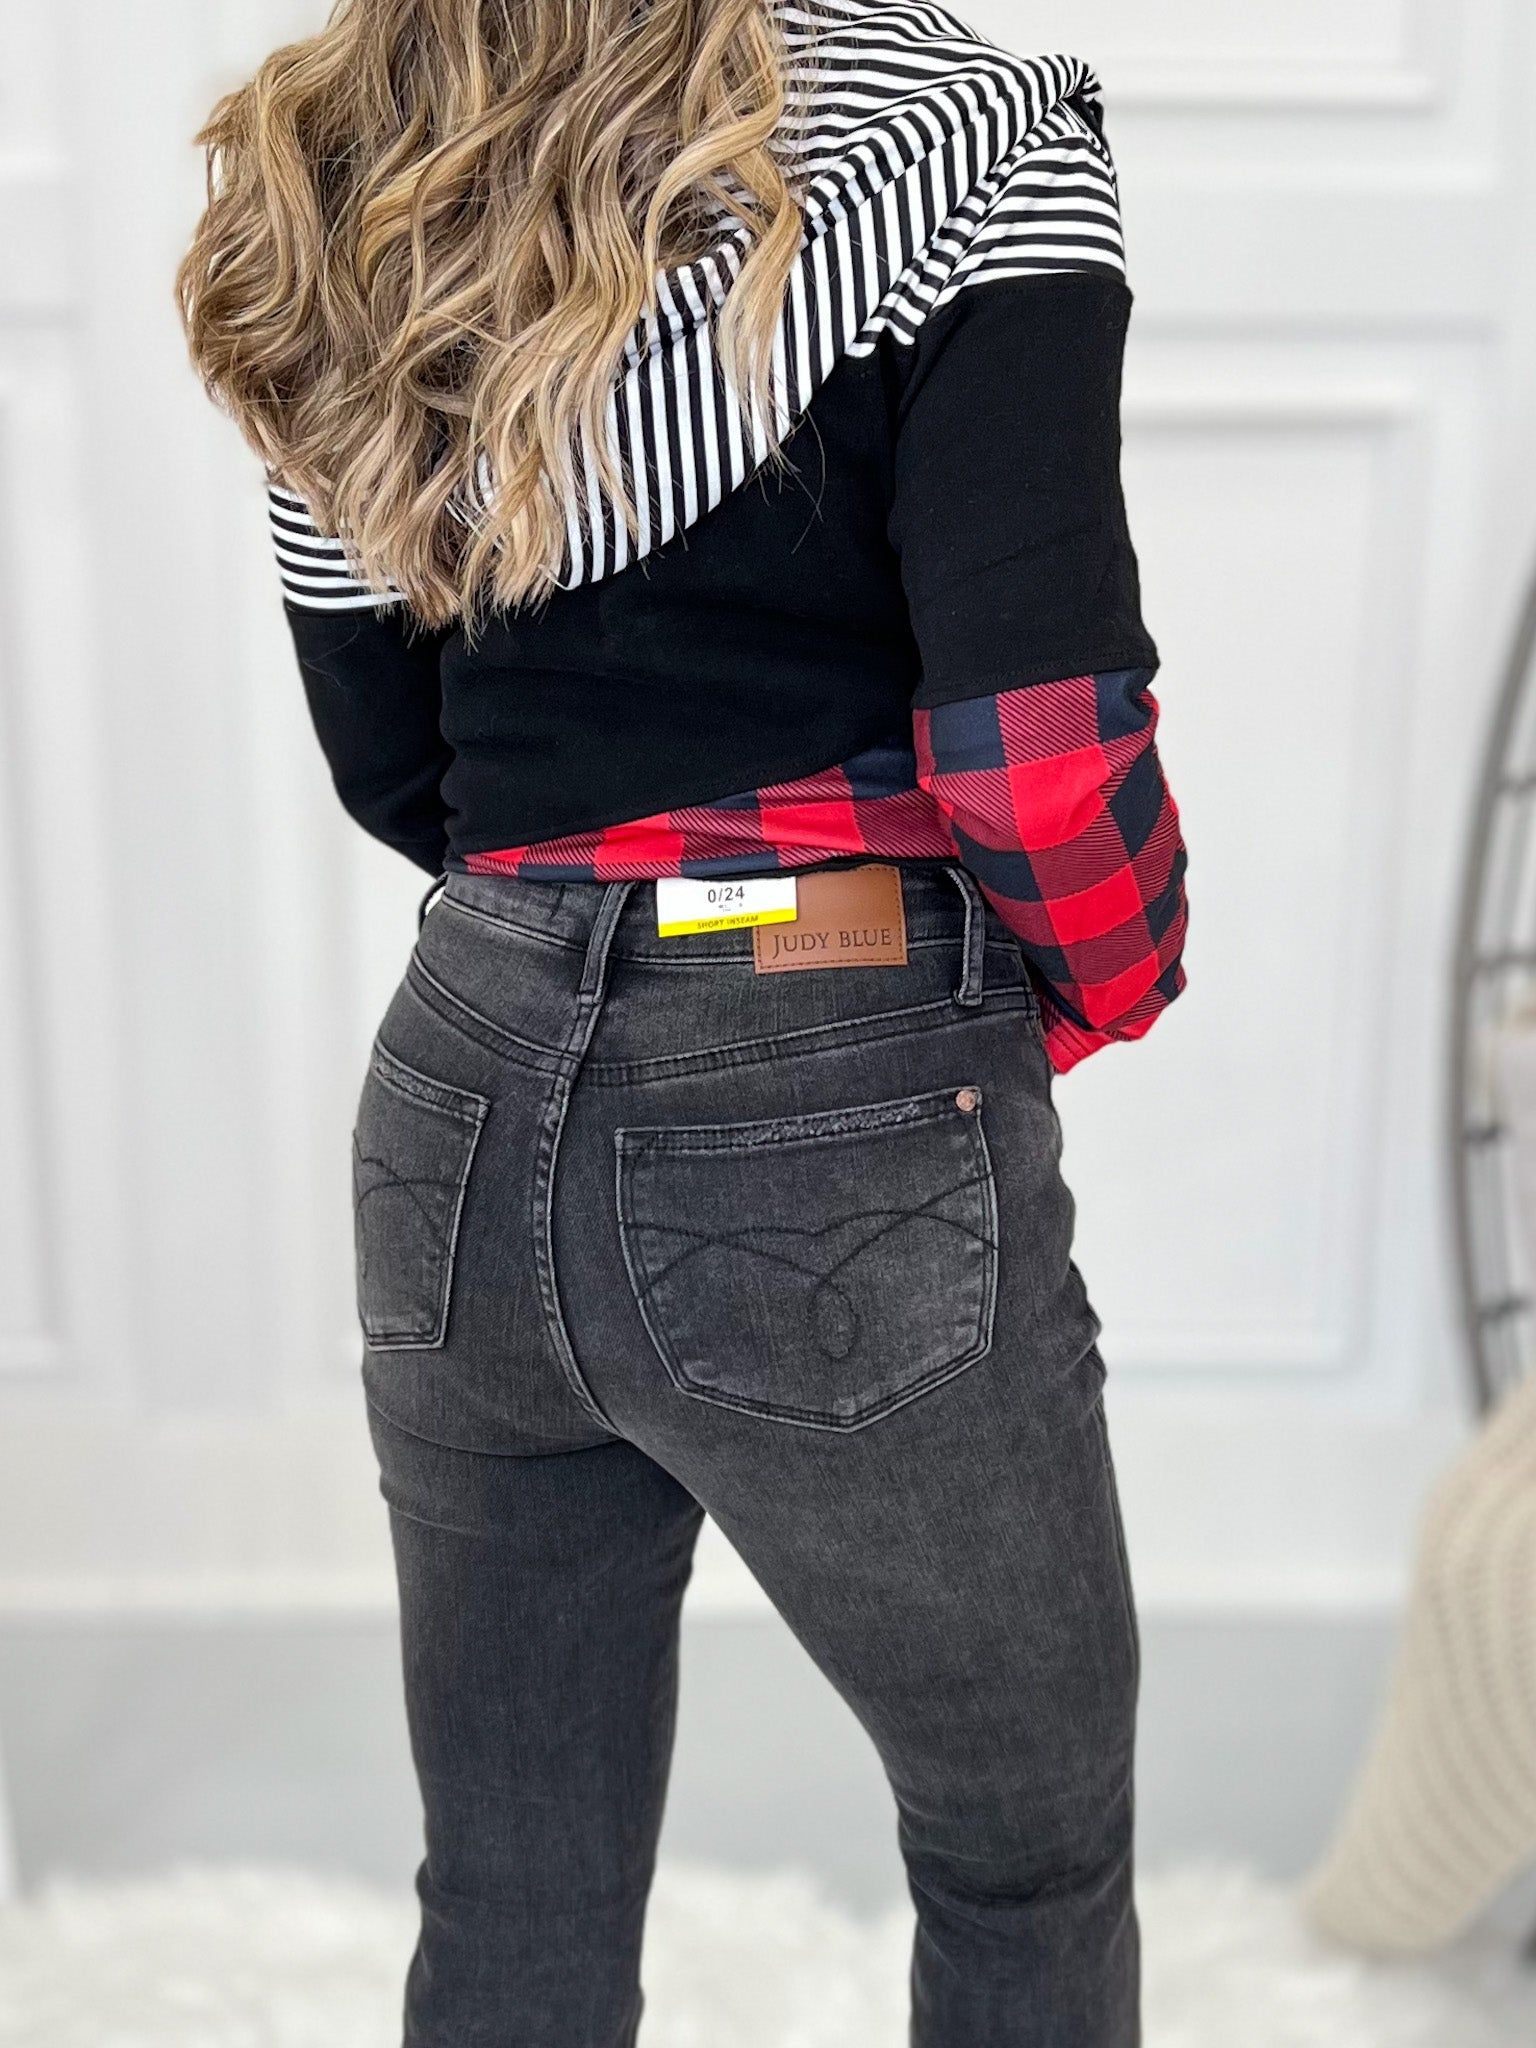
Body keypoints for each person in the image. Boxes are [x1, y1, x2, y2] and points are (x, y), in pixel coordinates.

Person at [179, 1, 1187, 2040]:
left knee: (513, 1893)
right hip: (833, 1067)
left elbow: (396, 762)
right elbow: (1034, 752)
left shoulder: (360, 148)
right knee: (1025, 1855)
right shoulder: (972, 130)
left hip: (459, 1079)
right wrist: (1107, 971)